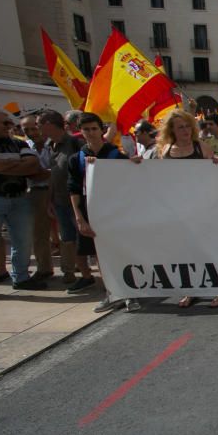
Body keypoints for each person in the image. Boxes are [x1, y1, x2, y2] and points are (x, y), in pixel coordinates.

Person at [0, 107, 45, 303]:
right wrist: (15, 167)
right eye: (4, 123)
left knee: (23, 240)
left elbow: (32, 165)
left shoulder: (17, 143)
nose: (9, 126)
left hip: (19, 198)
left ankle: (21, 277)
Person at [152, 110, 218, 310]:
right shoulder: (165, 150)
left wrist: (217, 164)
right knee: (184, 251)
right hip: (177, 210)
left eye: (186, 126)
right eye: (180, 127)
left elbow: (216, 173)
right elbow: (152, 175)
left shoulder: (201, 147)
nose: (184, 130)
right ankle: (190, 289)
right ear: (172, 130)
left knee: (209, 249)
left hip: (203, 208)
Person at [67, 112, 133, 312]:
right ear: (81, 132)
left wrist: (136, 164)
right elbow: (74, 189)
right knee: (98, 255)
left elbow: (131, 181)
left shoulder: (116, 155)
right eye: (86, 129)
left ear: (102, 130)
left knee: (120, 252)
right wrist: (79, 217)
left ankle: (128, 292)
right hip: (90, 211)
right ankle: (111, 293)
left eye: (94, 128)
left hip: (115, 211)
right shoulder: (76, 158)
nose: (91, 133)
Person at [36, 110, 85, 286]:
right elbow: (53, 175)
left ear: (49, 124)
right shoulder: (51, 145)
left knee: (82, 238)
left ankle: (85, 272)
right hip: (59, 201)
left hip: (76, 201)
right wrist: (49, 200)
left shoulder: (75, 143)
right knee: (66, 238)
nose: (37, 128)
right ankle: (69, 272)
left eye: (39, 124)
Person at [21, 114, 55, 281]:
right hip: (36, 192)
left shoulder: (55, 144)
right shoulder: (24, 146)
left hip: (57, 191)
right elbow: (28, 171)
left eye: (33, 128)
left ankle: (73, 268)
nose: (30, 132)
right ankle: (44, 268)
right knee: (39, 233)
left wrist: (47, 173)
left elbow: (59, 170)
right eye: (25, 129)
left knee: (66, 232)